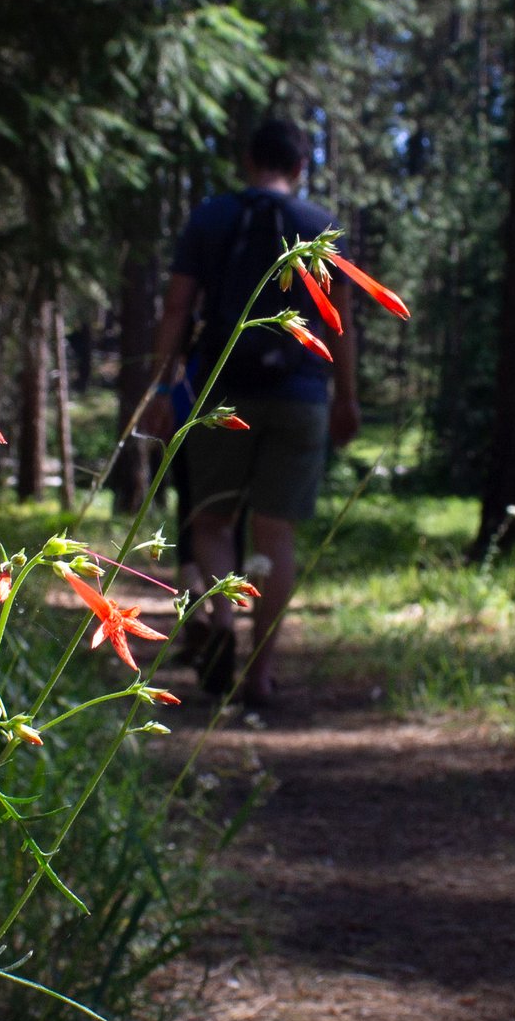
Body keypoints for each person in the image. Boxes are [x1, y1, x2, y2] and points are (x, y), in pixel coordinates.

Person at [139, 118, 358, 705]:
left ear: (247, 160)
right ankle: (259, 675)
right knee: (274, 532)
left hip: (219, 390)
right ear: (300, 167)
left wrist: (165, 390)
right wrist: (347, 398)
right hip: (303, 393)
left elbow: (177, 308)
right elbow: (339, 324)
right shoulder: (321, 226)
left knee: (211, 521)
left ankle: (217, 624)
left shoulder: (211, 216)